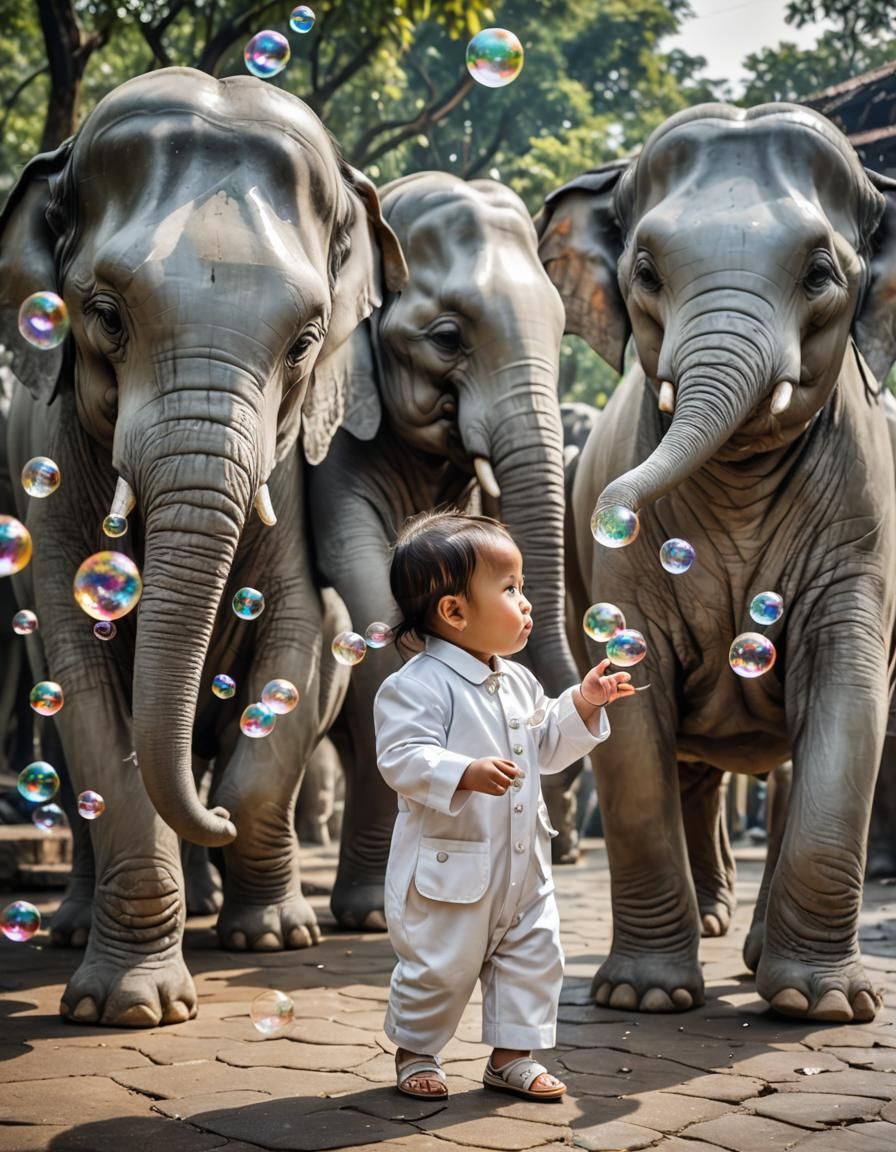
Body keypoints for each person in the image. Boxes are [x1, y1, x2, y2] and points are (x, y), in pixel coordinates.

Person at [374, 510, 634, 1102]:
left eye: (523, 586)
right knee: (439, 966)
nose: (526, 601)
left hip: (523, 866)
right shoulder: (417, 684)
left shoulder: (518, 682)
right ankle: (417, 1049)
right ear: (454, 612)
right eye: (510, 589)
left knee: (535, 956)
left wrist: (584, 704)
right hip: (450, 871)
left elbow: (546, 746)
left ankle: (512, 1057)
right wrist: (462, 772)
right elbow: (402, 757)